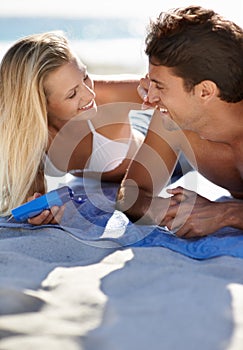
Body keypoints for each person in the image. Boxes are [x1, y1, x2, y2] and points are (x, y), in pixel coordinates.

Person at [0, 31, 186, 223]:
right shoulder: (25, 135)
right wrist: (42, 212)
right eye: (72, 94)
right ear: (39, 106)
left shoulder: (107, 97)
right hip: (104, 184)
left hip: (176, 160)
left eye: (85, 77)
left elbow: (177, 97)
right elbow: (34, 196)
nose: (90, 94)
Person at [116, 5, 243, 239]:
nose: (148, 100)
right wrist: (159, 208)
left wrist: (227, 214)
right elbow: (131, 192)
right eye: (149, 83)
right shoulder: (171, 121)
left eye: (159, 86)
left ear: (205, 91)